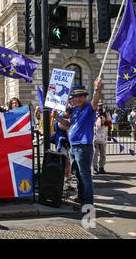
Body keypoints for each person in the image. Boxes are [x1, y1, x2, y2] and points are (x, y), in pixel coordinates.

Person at [52, 78, 103, 208]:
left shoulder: (88, 108)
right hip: (74, 147)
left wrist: (97, 88)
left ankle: (88, 203)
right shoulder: (75, 111)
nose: (78, 99)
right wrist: (57, 117)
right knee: (79, 175)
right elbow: (68, 124)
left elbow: (95, 101)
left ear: (85, 97)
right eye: (76, 97)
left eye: (81, 96)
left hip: (83, 147)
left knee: (85, 176)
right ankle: (81, 197)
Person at [94, 109, 109, 174]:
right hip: (96, 140)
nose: (102, 119)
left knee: (103, 154)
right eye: (101, 118)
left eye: (103, 118)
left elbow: (107, 131)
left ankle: (101, 167)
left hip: (103, 141)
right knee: (95, 154)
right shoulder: (95, 123)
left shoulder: (106, 125)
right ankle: (95, 167)